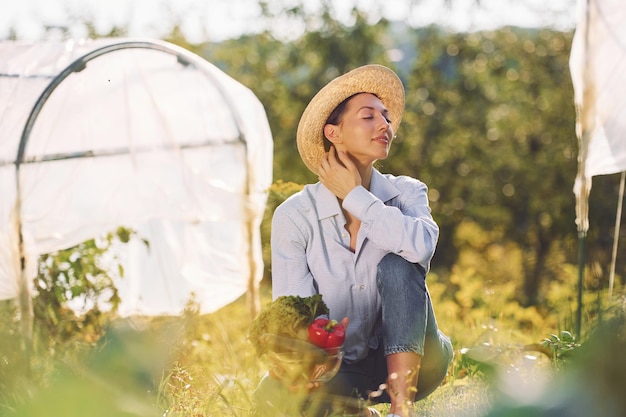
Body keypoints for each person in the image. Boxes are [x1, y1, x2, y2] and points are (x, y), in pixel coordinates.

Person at [254, 64, 453, 417]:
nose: (385, 125)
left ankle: (401, 409)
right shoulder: (295, 215)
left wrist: (356, 196)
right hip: (339, 367)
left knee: (398, 262)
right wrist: (299, 364)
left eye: (387, 117)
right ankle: (359, 411)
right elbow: (294, 311)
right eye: (368, 116)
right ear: (334, 133)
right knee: (272, 395)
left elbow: (421, 247)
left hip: (420, 362)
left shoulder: (407, 192)